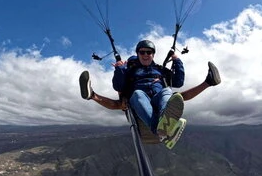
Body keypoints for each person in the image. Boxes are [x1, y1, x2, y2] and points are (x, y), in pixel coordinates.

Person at [79, 39, 221, 147]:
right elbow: (118, 85)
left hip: (160, 99)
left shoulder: (160, 69)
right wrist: (120, 69)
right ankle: (161, 129)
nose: (146, 55)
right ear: (138, 54)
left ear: (153, 55)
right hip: (140, 100)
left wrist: (177, 61)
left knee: (168, 92)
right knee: (138, 94)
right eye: (142, 52)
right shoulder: (129, 72)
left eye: (149, 52)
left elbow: (178, 82)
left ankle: (164, 123)